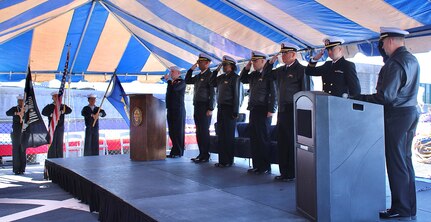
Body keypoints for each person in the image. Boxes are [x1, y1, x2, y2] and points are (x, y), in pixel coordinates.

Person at [355, 27, 420, 220]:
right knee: (405, 161)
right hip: (409, 112)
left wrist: (359, 98)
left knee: (396, 162)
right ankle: (409, 207)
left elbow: (386, 96)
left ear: (390, 41)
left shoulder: (395, 62)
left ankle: (400, 207)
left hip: (397, 115)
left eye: (383, 43)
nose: (382, 47)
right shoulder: (411, 59)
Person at [268, 43, 311, 181]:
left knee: (292, 142)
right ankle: (284, 172)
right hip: (282, 110)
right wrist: (270, 63)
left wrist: (304, 114)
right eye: (282, 54)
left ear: (293, 54)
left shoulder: (302, 70)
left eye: (285, 53)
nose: (283, 56)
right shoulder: (280, 71)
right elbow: (266, 75)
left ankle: (292, 173)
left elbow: (306, 92)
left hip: (294, 110)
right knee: (282, 142)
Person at [239, 51, 276, 174]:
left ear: (263, 61)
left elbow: (274, 93)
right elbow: (242, 79)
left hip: (264, 110)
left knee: (263, 138)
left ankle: (265, 166)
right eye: (253, 61)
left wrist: (272, 109)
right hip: (254, 109)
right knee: (254, 138)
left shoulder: (269, 75)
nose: (254, 63)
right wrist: (247, 68)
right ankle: (257, 165)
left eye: (255, 61)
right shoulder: (253, 75)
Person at [210, 55, 241, 168]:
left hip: (230, 108)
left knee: (228, 136)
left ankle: (229, 160)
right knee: (221, 135)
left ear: (231, 66)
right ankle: (222, 160)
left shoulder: (235, 78)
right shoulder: (221, 77)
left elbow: (237, 95)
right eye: (222, 65)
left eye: (225, 65)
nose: (223, 67)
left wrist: (235, 111)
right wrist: (216, 71)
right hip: (221, 108)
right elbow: (211, 82)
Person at [185, 53, 216, 163]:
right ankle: (201, 153)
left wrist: (211, 108)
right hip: (197, 105)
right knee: (198, 131)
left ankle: (205, 154)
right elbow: (187, 80)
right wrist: (191, 69)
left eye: (201, 62)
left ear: (207, 63)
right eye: (198, 62)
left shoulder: (211, 76)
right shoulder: (198, 76)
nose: (199, 64)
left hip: (205, 106)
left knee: (204, 131)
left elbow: (213, 93)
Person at [42, 92, 72, 158]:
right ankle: (52, 159)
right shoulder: (50, 106)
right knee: (52, 143)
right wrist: (51, 114)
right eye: (54, 96)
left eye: (57, 96)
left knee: (59, 143)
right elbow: (43, 112)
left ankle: (59, 159)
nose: (56, 98)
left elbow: (69, 110)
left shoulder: (62, 106)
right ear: (52, 98)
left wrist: (62, 111)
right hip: (52, 128)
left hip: (60, 127)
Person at [165, 66, 186, 158]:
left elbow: (174, 89)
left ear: (178, 73)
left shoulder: (181, 82)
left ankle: (179, 151)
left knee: (178, 131)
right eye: (170, 72)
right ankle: (174, 150)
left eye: (172, 72)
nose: (171, 73)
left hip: (178, 109)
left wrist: (169, 81)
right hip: (170, 109)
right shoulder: (171, 83)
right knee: (172, 131)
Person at [6, 94, 26, 174]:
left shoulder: (26, 109)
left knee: (23, 150)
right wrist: (16, 113)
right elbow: (7, 113)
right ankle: (16, 169)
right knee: (16, 150)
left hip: (24, 132)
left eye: (21, 101)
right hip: (16, 133)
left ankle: (22, 169)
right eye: (19, 101)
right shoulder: (15, 108)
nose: (20, 102)